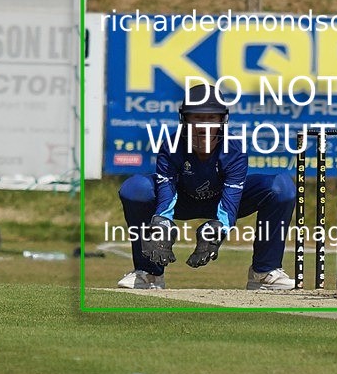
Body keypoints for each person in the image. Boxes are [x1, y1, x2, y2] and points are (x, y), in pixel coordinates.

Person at [116, 83, 296, 290]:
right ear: (185, 119)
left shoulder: (234, 149)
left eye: (211, 118)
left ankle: (263, 273)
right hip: (182, 201)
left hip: (223, 200)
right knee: (135, 188)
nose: (204, 126)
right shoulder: (171, 145)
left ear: (222, 120)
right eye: (197, 118)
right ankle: (149, 274)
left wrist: (220, 226)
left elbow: (231, 197)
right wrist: (162, 224)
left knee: (281, 187)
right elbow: (166, 195)